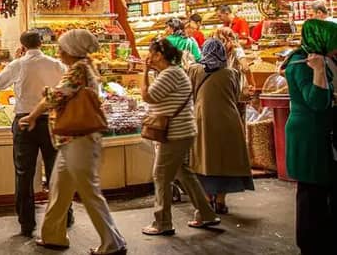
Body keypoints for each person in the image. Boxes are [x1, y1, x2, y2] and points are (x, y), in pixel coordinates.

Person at [19, 30, 126, 255]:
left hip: (80, 141)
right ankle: (53, 235)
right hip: (71, 141)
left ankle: (113, 242)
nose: (59, 52)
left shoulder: (79, 69)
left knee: (89, 192)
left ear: (72, 51)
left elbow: (56, 96)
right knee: (59, 187)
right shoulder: (84, 68)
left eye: (62, 48)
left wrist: (33, 112)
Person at [140, 38, 220, 236]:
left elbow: (148, 96)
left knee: (160, 176)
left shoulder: (170, 73)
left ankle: (162, 222)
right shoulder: (173, 72)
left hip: (175, 133)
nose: (147, 57)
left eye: (150, 53)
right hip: (182, 131)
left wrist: (143, 72)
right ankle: (207, 213)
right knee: (183, 173)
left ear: (159, 55)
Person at [0, 29, 69, 237]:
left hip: (25, 121)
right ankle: (65, 215)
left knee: (24, 173)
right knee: (55, 170)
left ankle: (26, 223)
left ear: (23, 45)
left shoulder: (18, 64)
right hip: (50, 120)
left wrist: (14, 62)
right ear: (41, 43)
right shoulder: (55, 64)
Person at [283, 19, 337, 254]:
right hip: (308, 134)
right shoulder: (301, 63)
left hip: (325, 132)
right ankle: (311, 245)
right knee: (311, 192)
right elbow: (316, 101)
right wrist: (317, 71)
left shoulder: (327, 59)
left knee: (326, 187)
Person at [188, 38, 254, 215]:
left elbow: (191, 93)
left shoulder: (195, 70)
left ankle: (208, 199)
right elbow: (236, 95)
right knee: (225, 161)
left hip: (203, 120)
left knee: (205, 159)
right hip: (229, 120)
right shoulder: (232, 73)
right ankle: (221, 201)